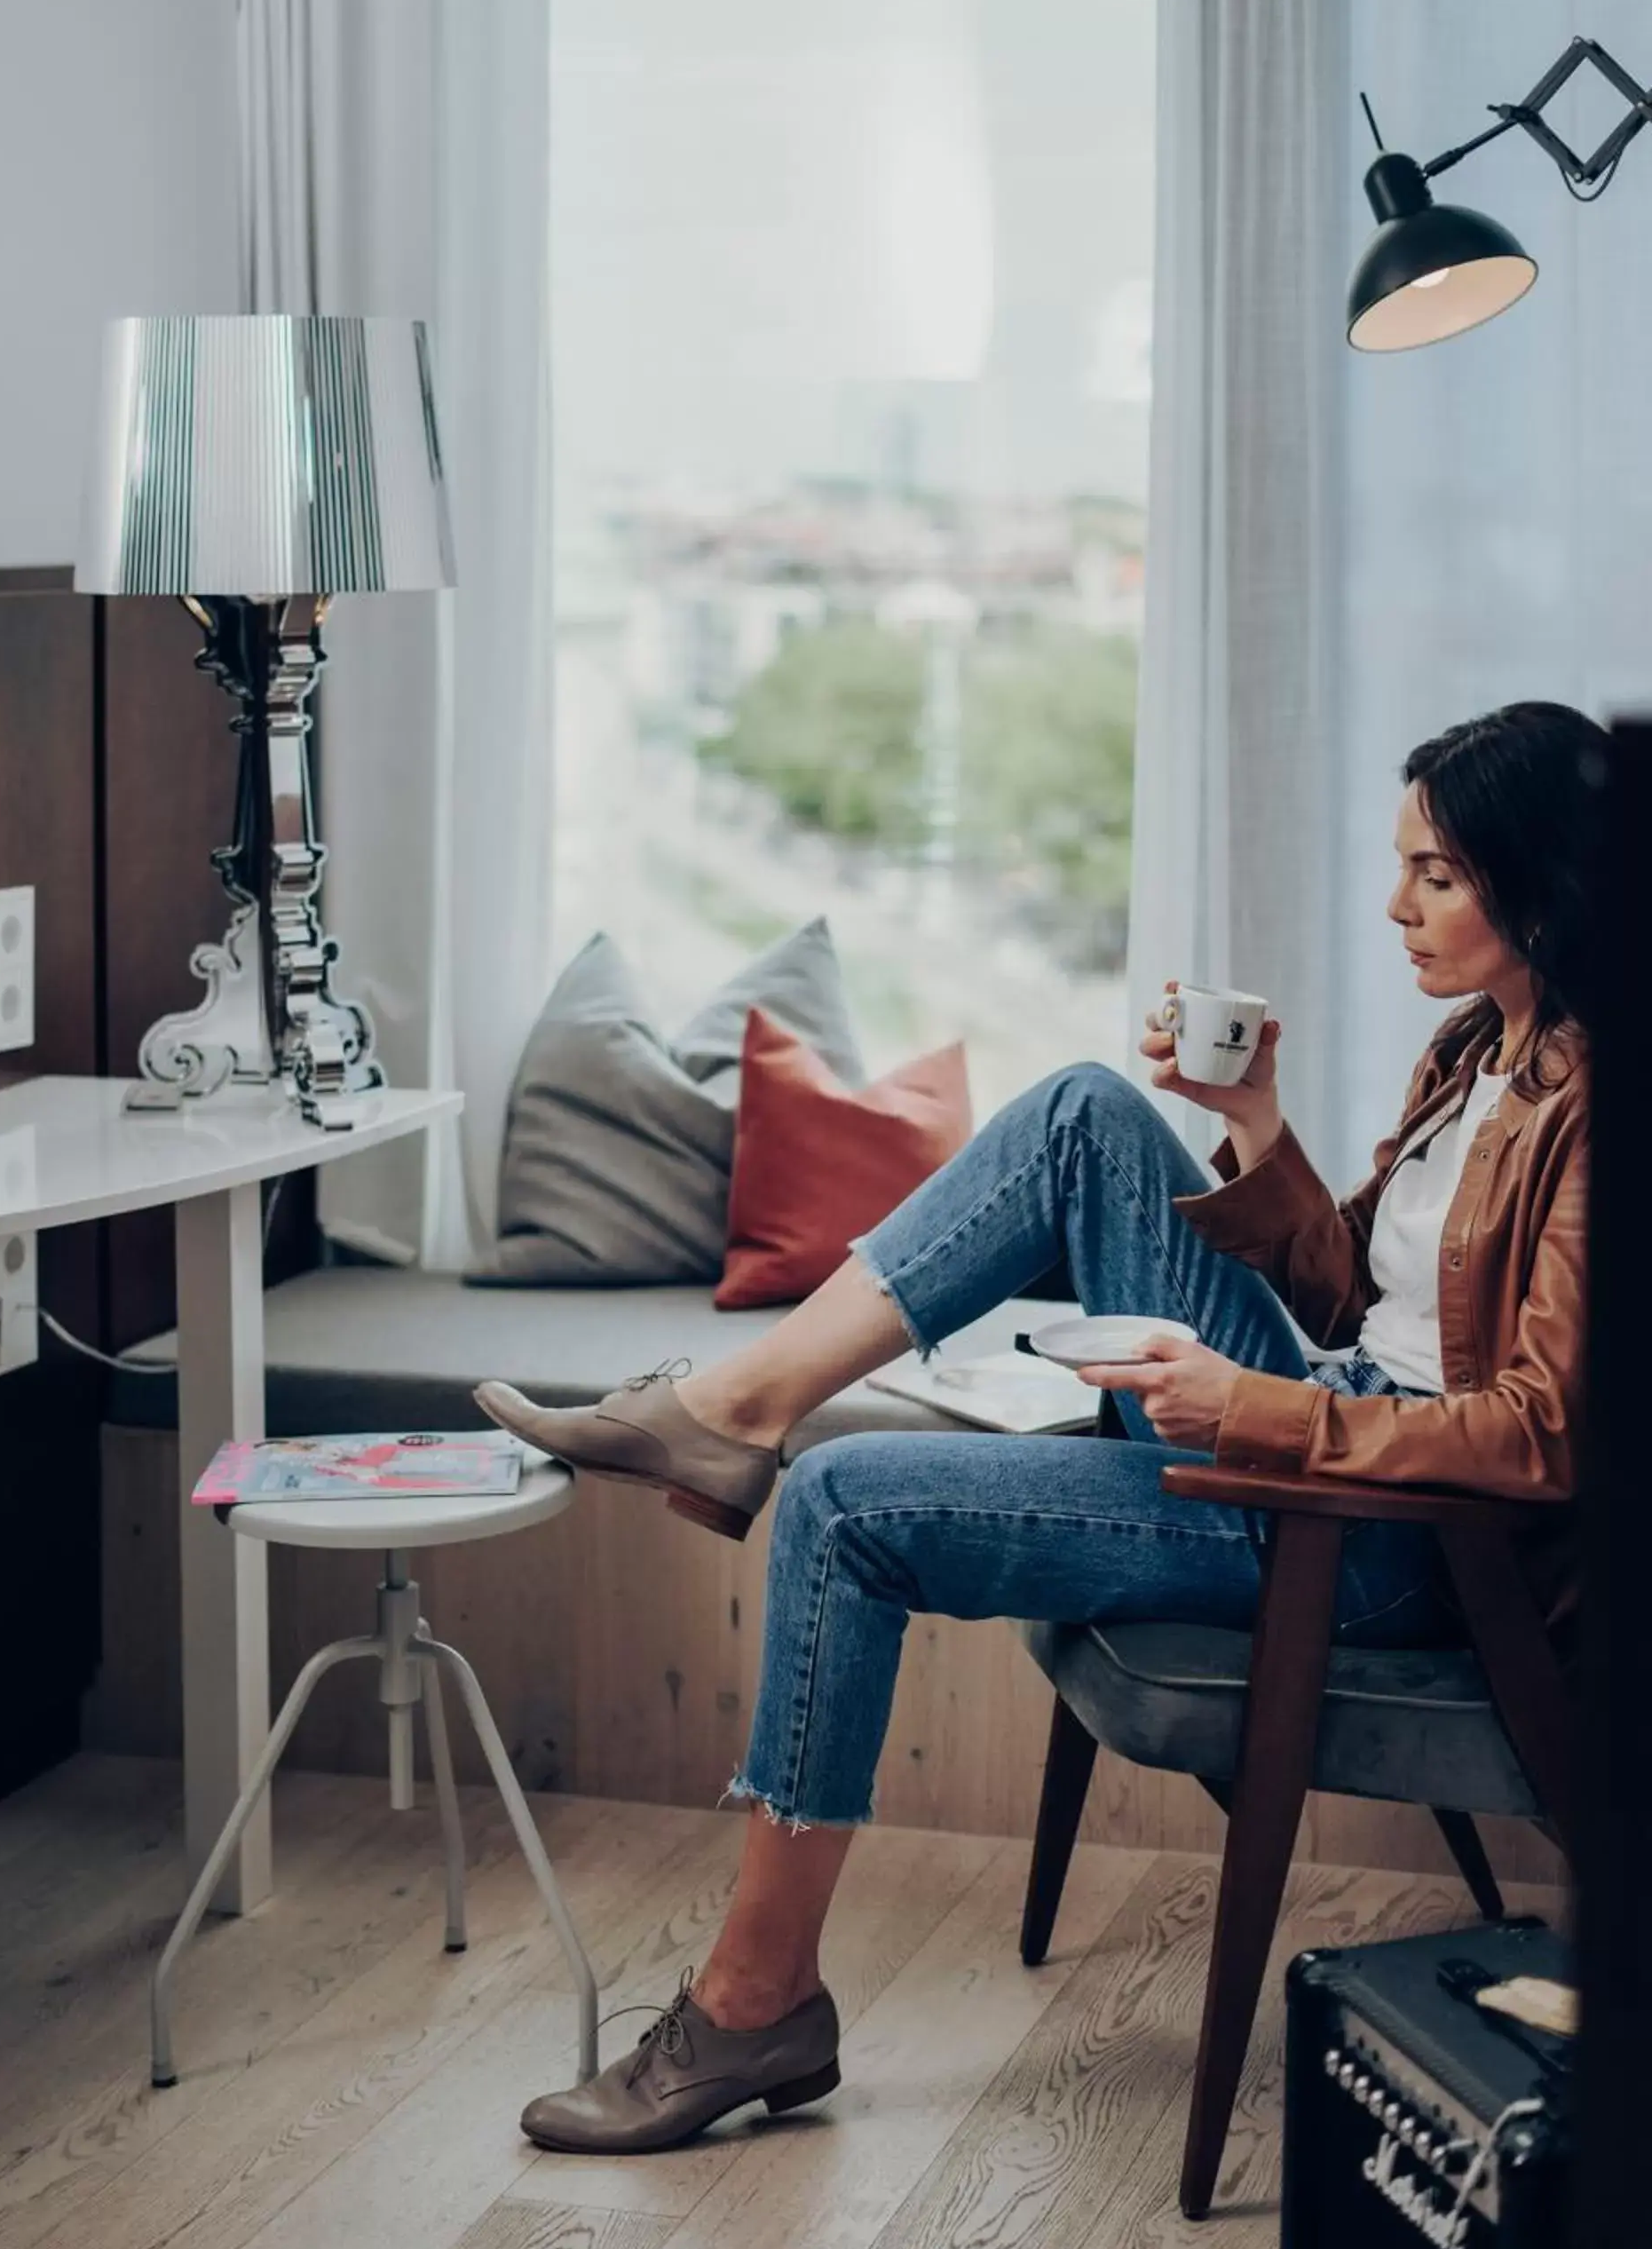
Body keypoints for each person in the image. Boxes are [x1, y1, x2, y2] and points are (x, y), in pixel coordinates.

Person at [478, 700, 1596, 2153]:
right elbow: (1347, 1287)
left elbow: (1542, 1435)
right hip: (1334, 1428)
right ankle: (734, 1405)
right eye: (1403, 869)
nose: (1397, 906)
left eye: (1436, 875)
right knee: (1084, 1108)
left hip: (1390, 1537)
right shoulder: (1473, 1053)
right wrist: (1251, 1119)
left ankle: (754, 2005)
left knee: (838, 1505)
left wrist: (1247, 1407)